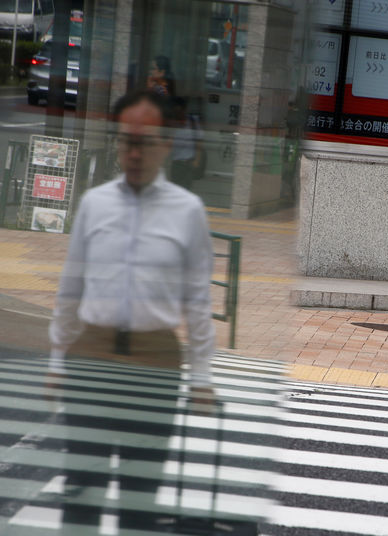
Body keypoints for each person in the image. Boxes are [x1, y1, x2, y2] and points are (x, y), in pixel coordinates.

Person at [47, 90, 217, 529]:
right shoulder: (94, 203)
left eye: (146, 142)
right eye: (127, 141)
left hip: (156, 362)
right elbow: (70, 287)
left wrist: (201, 379)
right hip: (92, 354)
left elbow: (198, 301)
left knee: (139, 501)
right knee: (81, 488)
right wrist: (56, 362)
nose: (135, 152)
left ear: (165, 144)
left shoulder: (188, 211)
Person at [169, 96, 205, 190]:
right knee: (174, 191)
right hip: (175, 164)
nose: (178, 115)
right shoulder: (172, 124)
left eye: (180, 112)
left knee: (186, 191)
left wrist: (196, 161)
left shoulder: (193, 122)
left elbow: (199, 142)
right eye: (176, 113)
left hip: (188, 164)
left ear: (184, 110)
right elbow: (168, 143)